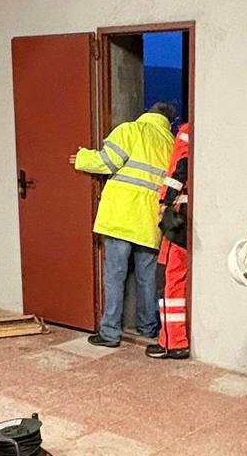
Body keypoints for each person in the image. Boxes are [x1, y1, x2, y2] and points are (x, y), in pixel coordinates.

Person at [71, 103, 175, 349]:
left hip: (120, 217)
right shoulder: (170, 145)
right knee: (147, 279)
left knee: (115, 276)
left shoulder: (130, 130)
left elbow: (107, 162)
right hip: (149, 221)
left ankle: (109, 333)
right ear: (168, 122)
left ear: (149, 112)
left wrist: (83, 157)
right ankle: (149, 328)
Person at [149, 118, 190, 360]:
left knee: (169, 280)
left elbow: (179, 168)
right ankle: (174, 340)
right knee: (178, 279)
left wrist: (165, 202)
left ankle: (173, 342)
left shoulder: (187, 131)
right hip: (189, 219)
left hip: (178, 219)